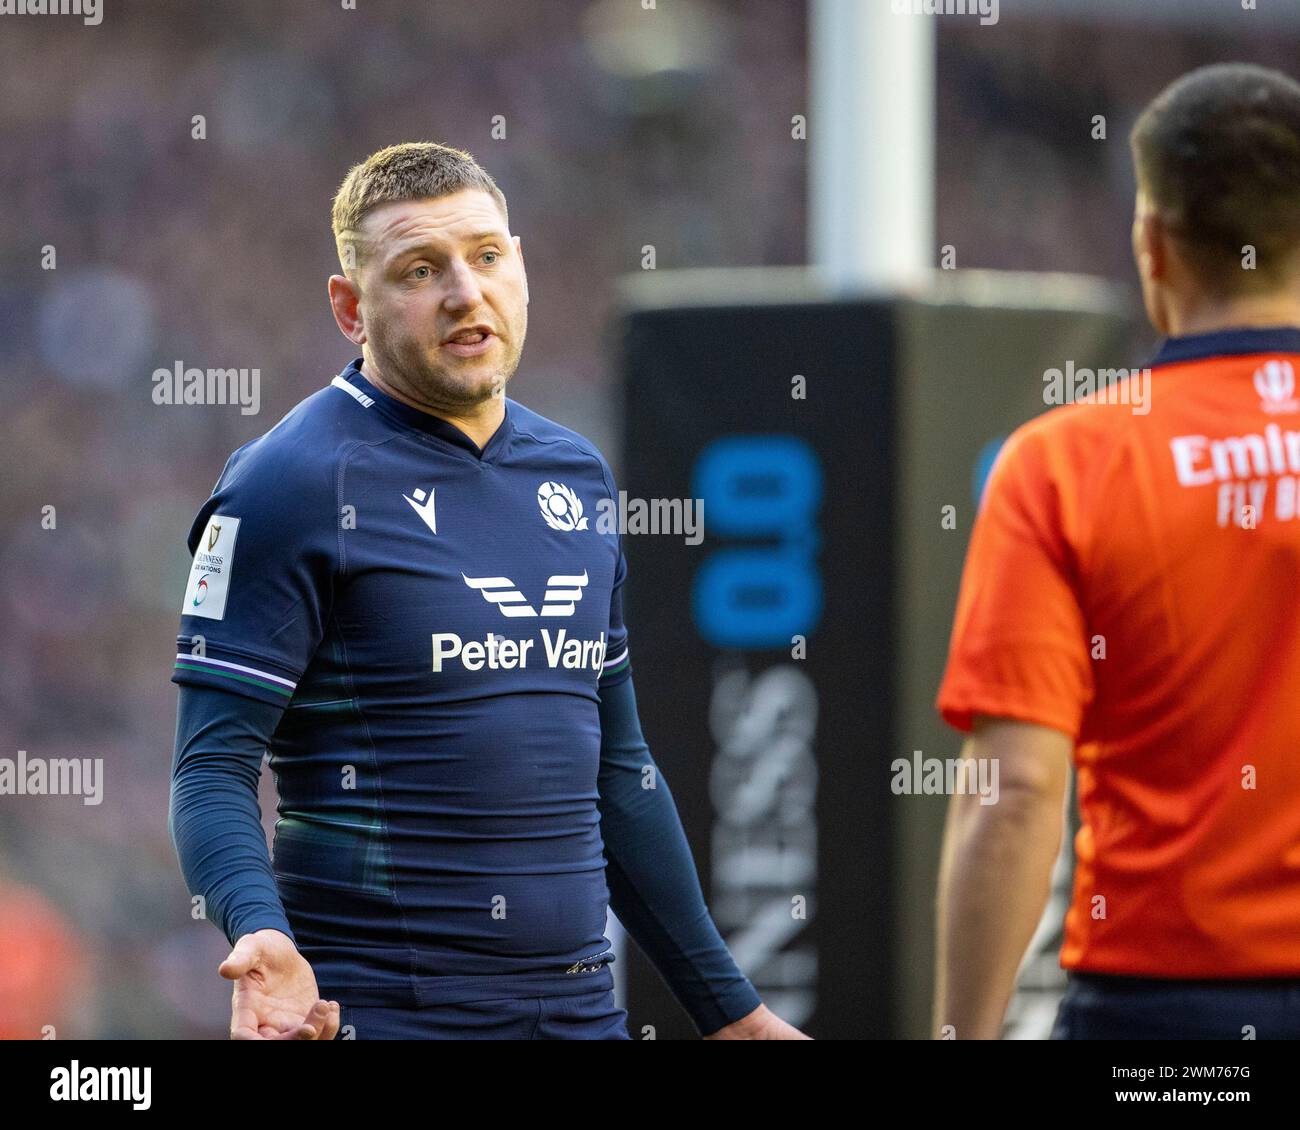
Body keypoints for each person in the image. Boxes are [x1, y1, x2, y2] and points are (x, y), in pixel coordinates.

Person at [168, 142, 806, 1041]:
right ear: (351, 308)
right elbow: (210, 768)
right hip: (382, 1016)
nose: (465, 293)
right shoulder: (289, 485)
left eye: (487, 256)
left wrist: (731, 1013)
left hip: (583, 1016)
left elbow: (618, 775)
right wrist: (262, 931)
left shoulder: (575, 475)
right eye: (421, 270)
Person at [933, 63, 1300, 1040]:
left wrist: (960, 1031)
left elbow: (1012, 791)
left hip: (1163, 1016)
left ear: (1152, 245)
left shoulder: (1061, 463)